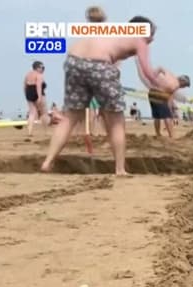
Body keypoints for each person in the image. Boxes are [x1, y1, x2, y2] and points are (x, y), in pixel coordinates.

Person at [40, 9, 165, 175]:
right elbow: (147, 72)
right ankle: (120, 169)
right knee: (116, 120)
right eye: (151, 35)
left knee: (69, 117)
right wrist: (162, 89)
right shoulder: (139, 40)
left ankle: (48, 162)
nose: (152, 40)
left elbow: (113, 59)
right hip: (100, 65)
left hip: (73, 61)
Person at [147, 70, 191, 138]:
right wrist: (170, 111)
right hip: (159, 94)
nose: (184, 87)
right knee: (167, 116)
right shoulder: (176, 84)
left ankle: (158, 134)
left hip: (151, 92)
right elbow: (170, 98)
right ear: (182, 81)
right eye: (185, 85)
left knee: (157, 116)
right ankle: (171, 135)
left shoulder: (170, 78)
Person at [24, 61, 48, 136]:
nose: (43, 69)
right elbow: (38, 86)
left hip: (29, 93)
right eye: (42, 68)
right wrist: (39, 97)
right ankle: (46, 131)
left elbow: (24, 86)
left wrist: (26, 95)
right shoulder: (39, 75)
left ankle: (30, 131)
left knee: (32, 113)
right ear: (37, 68)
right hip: (38, 93)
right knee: (44, 113)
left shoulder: (28, 74)